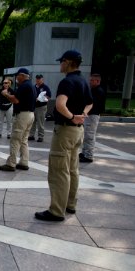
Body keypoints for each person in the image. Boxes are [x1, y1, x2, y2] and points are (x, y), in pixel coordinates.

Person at [35, 50, 93, 221]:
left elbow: (60, 105)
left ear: (68, 62)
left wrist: (72, 117)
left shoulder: (67, 82)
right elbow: (90, 103)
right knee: (72, 169)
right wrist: (82, 114)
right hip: (78, 132)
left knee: (59, 170)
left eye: (62, 61)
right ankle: (70, 205)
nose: (60, 64)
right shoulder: (83, 81)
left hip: (66, 130)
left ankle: (56, 211)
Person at [0, 68, 36, 171]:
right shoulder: (31, 86)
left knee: (15, 139)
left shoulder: (23, 86)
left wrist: (5, 94)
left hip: (23, 115)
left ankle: (11, 163)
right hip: (30, 114)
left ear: (22, 76)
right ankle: (24, 162)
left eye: (17, 76)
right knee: (24, 140)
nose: (16, 78)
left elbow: (15, 100)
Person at [79, 73, 106, 163]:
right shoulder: (93, 90)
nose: (89, 82)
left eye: (92, 80)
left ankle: (88, 156)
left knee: (89, 136)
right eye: (90, 80)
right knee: (86, 135)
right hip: (89, 115)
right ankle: (84, 153)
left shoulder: (99, 91)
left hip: (92, 115)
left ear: (97, 81)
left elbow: (91, 103)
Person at [28, 74, 52, 142]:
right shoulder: (34, 87)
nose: (38, 81)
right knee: (32, 122)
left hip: (41, 107)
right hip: (33, 106)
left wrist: (41, 98)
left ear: (42, 79)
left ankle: (40, 136)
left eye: (39, 79)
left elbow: (49, 96)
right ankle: (31, 135)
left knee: (40, 122)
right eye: (37, 79)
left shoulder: (45, 87)